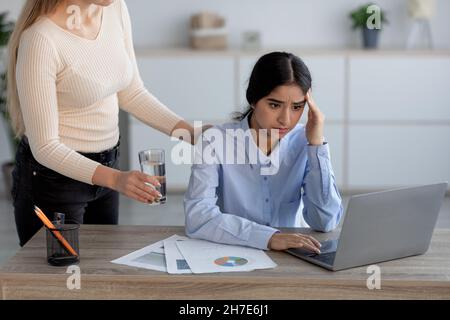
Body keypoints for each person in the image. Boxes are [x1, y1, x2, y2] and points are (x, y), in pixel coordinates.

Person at [7, 0, 201, 246]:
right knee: (61, 279)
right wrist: (116, 179)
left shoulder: (114, 8)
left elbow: (131, 92)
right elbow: (45, 147)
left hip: (107, 169)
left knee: (101, 271)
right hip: (54, 183)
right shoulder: (41, 39)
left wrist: (192, 133)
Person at [184, 52, 343, 253]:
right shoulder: (215, 140)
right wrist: (268, 238)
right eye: (274, 105)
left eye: (297, 107)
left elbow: (325, 222)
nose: (286, 119)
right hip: (233, 253)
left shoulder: (306, 141)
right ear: (253, 99)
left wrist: (317, 146)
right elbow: (197, 217)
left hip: (294, 256)